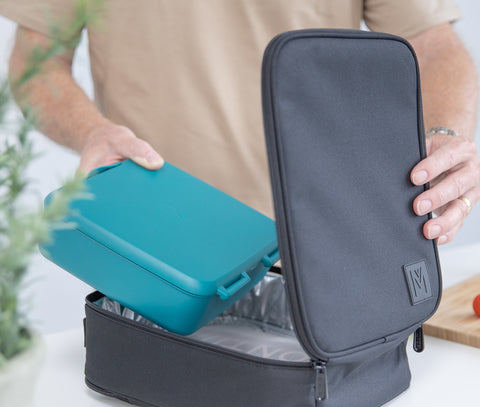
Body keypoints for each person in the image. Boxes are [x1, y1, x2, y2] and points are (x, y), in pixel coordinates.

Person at [1, 0, 479, 245]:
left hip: (324, 241)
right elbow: (35, 62)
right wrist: (93, 132)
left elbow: (434, 48)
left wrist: (445, 139)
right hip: (155, 244)